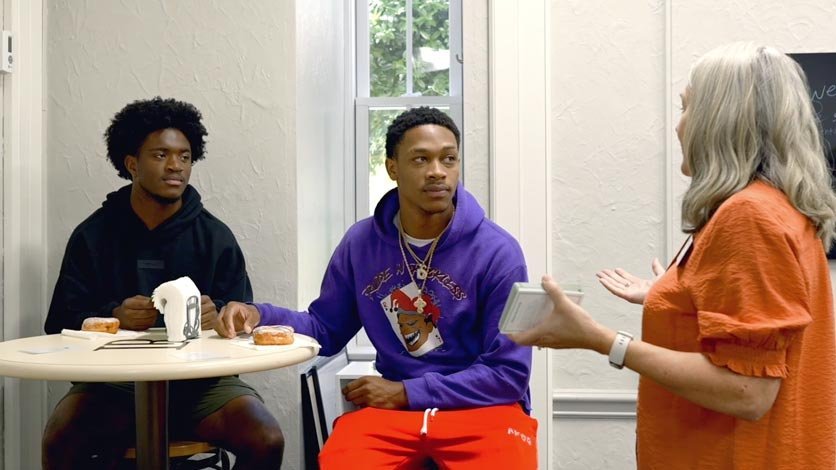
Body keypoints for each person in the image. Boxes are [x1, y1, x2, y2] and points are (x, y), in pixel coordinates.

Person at [509, 42, 836, 469]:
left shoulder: (749, 215)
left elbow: (748, 392)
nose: (679, 127)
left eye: (686, 109)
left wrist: (601, 340)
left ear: (719, 120)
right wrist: (675, 296)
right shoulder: (778, 205)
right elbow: (758, 323)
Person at [216, 107, 538, 469]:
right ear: (392, 168)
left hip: (482, 410)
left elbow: (508, 374)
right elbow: (325, 328)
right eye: (421, 159)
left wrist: (406, 392)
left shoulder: (498, 252)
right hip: (396, 415)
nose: (437, 171)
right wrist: (260, 314)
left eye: (449, 159)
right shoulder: (362, 242)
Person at [42, 97, 285, 469]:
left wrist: (218, 316)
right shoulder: (93, 235)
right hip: (112, 386)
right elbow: (58, 322)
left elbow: (244, 320)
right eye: (160, 155)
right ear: (131, 164)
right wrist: (114, 317)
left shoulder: (214, 236)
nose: (175, 166)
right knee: (60, 439)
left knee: (266, 439)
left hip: (202, 387)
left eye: (185, 157)